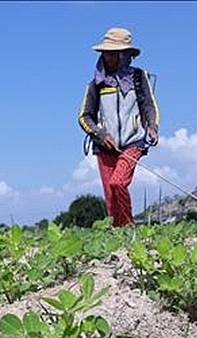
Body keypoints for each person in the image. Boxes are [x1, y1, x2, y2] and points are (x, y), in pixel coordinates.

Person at [78, 27, 160, 227]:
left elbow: (149, 105)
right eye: (107, 53)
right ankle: (117, 235)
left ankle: (128, 226)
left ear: (126, 55)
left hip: (133, 142)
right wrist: (100, 133)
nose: (110, 58)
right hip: (105, 146)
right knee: (110, 196)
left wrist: (152, 127)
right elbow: (84, 116)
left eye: (115, 54)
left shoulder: (139, 78)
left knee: (118, 183)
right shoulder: (96, 85)